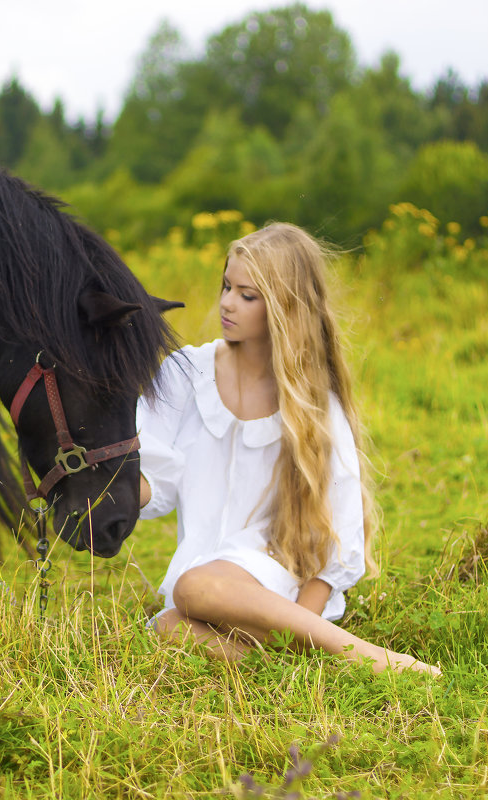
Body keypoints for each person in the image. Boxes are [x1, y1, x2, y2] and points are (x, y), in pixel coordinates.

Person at [137, 222, 440, 676]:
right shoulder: (186, 372)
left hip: (276, 580)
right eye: (226, 286)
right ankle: (311, 667)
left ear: (285, 306)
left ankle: (372, 658)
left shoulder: (311, 399)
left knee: (191, 587)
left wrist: (306, 616)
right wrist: (93, 485)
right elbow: (152, 481)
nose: (226, 303)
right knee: (166, 626)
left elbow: (340, 530)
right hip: (208, 586)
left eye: (247, 294)